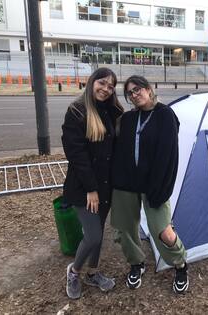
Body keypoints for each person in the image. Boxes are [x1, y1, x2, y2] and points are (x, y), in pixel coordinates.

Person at [111, 75, 189, 294]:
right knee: (125, 229)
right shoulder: (127, 119)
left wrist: (163, 186)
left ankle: (180, 264)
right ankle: (137, 263)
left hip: (154, 183)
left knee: (162, 230)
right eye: (129, 93)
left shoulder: (165, 115)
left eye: (137, 90)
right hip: (126, 183)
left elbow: (169, 155)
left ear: (148, 89)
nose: (134, 95)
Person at [61, 67, 123, 299]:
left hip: (106, 185)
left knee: (98, 233)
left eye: (110, 86)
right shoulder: (77, 111)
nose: (106, 89)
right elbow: (76, 154)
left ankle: (93, 273)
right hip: (84, 187)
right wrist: (91, 189)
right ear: (92, 82)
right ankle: (74, 271)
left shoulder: (110, 110)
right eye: (102, 83)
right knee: (94, 235)